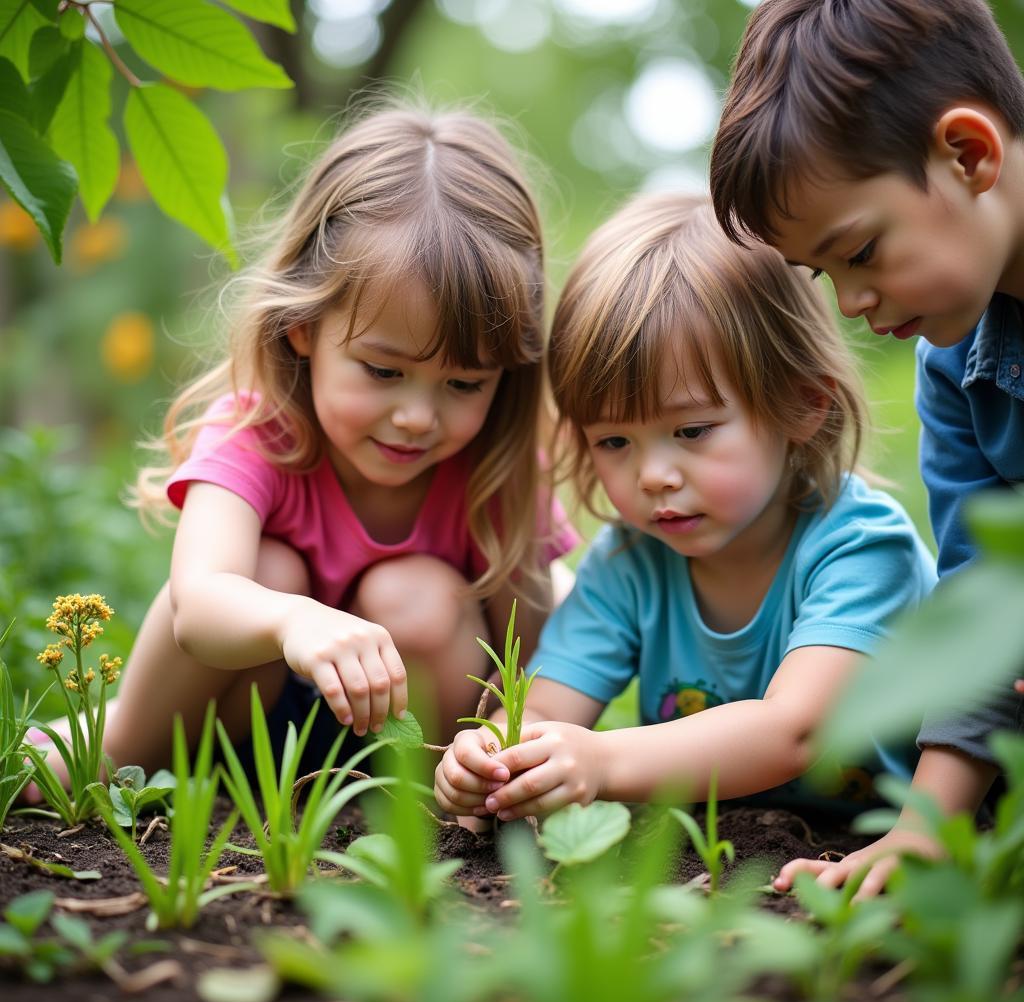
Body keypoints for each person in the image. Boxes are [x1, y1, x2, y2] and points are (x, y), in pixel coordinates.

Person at [30, 104, 577, 787]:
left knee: (419, 595)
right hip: (233, 717)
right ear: (303, 328)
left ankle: (427, 801)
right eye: (384, 371)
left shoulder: (496, 470)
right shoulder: (256, 434)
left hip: (406, 743)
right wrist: (294, 622)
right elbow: (197, 603)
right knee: (265, 574)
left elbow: (543, 655)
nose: (416, 416)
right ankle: (119, 755)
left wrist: (505, 747)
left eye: (464, 383)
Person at [434, 194, 935, 823]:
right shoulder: (630, 563)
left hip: (868, 841)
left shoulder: (860, 548)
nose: (654, 476)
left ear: (803, 404)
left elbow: (794, 732)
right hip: (706, 854)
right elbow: (548, 707)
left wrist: (602, 762)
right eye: (614, 441)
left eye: (693, 430)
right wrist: (495, 756)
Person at [709, 0, 1024, 897]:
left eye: (862, 251)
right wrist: (924, 828)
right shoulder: (958, 367)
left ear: (969, 155)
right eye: (824, 274)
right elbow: (985, 603)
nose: (849, 303)